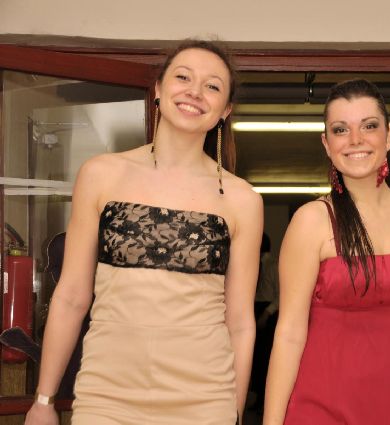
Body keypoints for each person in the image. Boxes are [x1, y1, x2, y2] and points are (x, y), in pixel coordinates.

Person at [25, 39, 263, 425]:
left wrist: (233, 414)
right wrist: (43, 400)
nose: (195, 92)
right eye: (183, 77)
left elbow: (239, 322)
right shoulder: (101, 174)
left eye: (212, 86)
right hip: (107, 398)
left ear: (225, 110)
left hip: (204, 401)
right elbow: (70, 297)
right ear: (158, 89)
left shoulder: (242, 200)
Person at [263, 79, 390, 425]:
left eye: (369, 126)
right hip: (322, 409)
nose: (355, 139)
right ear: (327, 144)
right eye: (341, 129)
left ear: (389, 135)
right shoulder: (312, 220)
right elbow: (290, 333)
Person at [249, 233, 279, 410]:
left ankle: (265, 401)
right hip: (255, 307)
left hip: (267, 312)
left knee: (265, 357)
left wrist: (267, 313)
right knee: (255, 357)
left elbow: (280, 295)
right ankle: (258, 398)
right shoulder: (252, 264)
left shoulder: (274, 265)